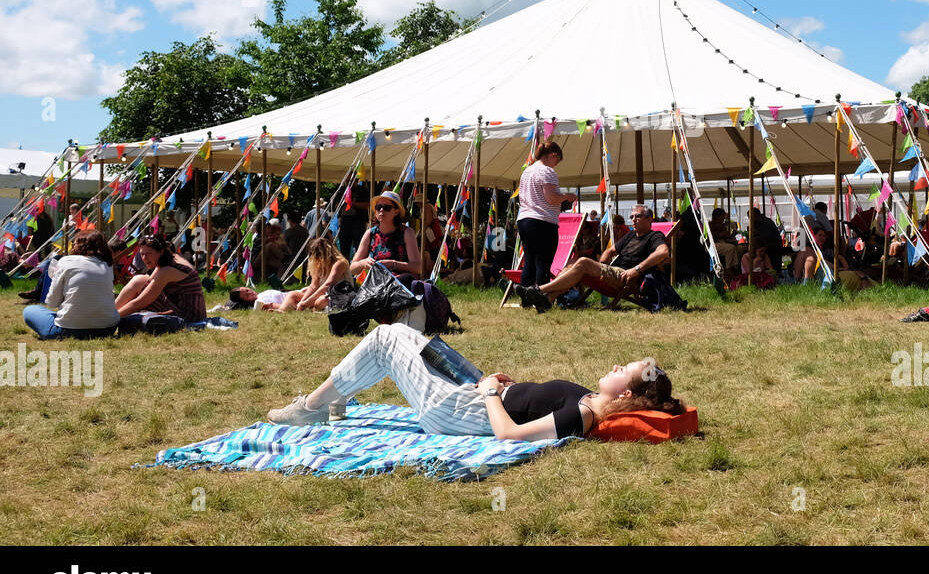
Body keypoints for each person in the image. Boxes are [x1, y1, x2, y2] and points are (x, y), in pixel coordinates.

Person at [266, 321, 686, 439]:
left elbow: (508, 434)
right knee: (415, 338)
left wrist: (489, 394)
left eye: (621, 371)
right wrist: (505, 387)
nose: (614, 366)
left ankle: (312, 408)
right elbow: (530, 404)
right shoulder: (592, 399)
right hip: (476, 396)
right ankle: (334, 397)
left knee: (385, 337)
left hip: (459, 412)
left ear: (626, 393)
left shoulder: (583, 415)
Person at [519, 204, 668, 312]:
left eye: (638, 216)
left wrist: (636, 270)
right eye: (631, 217)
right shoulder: (630, 235)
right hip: (613, 271)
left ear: (650, 219)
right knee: (572, 264)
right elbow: (611, 251)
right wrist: (601, 266)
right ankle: (547, 300)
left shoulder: (654, 236)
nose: (633, 219)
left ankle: (538, 290)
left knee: (583, 262)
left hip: (626, 276)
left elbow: (663, 252)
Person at [22, 231, 119, 339]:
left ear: (79, 245)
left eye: (74, 243)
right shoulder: (107, 264)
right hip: (108, 328)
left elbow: (52, 302)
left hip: (69, 329)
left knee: (30, 310)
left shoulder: (65, 261)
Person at [516, 142, 578, 289]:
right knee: (543, 262)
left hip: (524, 219)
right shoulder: (547, 172)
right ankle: (542, 297)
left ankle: (525, 296)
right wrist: (566, 196)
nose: (555, 165)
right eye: (557, 160)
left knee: (529, 261)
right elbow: (551, 198)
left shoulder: (527, 171)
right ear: (553, 155)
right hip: (542, 221)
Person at [115, 233, 207, 326]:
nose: (145, 258)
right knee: (140, 280)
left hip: (189, 316)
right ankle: (110, 312)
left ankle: (109, 316)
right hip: (186, 309)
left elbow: (140, 302)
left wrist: (112, 319)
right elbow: (148, 282)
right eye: (142, 254)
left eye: (149, 253)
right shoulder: (170, 259)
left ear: (161, 252)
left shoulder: (166, 271)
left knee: (138, 281)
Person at [352, 190, 420, 283]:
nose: (381, 210)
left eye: (386, 208)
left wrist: (393, 264)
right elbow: (352, 268)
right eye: (378, 207)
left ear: (396, 212)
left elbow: (417, 267)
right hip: (375, 285)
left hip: (400, 286)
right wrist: (363, 263)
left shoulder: (407, 233)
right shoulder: (370, 234)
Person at [709, 208, 741, 273]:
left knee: (740, 248)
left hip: (723, 243)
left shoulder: (723, 225)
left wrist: (733, 234)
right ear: (717, 216)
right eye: (722, 216)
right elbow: (711, 237)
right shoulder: (711, 224)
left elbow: (727, 238)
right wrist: (721, 234)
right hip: (713, 245)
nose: (724, 218)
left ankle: (736, 267)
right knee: (730, 248)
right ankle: (728, 269)